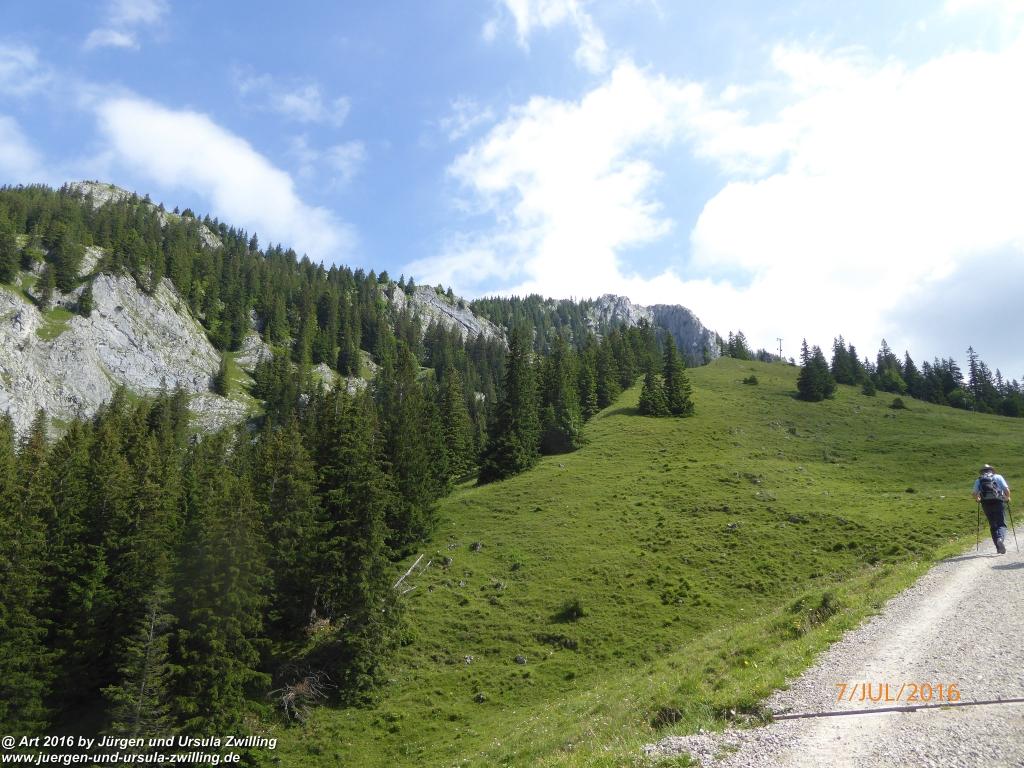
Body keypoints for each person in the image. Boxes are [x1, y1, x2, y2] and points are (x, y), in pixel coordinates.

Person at [973, 464, 1012, 554]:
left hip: (986, 503)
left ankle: (998, 548)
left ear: (982, 471)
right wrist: (1007, 497)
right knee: (1001, 524)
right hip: (998, 501)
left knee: (993, 525)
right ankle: (1000, 539)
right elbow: (1006, 489)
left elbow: (974, 493)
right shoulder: (998, 477)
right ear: (992, 470)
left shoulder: (979, 480)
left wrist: (978, 499)